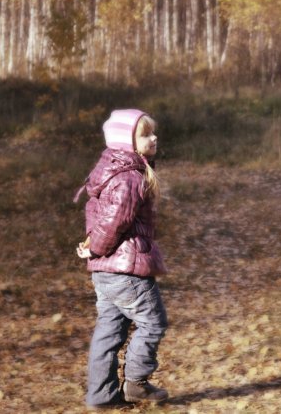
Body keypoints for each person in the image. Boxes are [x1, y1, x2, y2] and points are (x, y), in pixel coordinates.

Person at [75, 109, 169, 408]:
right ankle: (136, 384)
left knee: (109, 330)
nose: (154, 138)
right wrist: (97, 246)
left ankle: (101, 396)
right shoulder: (129, 176)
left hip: (106, 271)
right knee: (153, 323)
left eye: (153, 132)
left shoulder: (111, 170)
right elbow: (116, 219)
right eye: (145, 134)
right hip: (125, 269)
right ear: (126, 141)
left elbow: (100, 213)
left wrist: (95, 249)